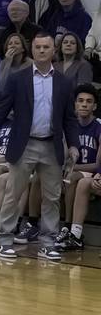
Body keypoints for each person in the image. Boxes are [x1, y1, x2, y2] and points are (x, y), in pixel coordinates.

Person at [0, 32, 79, 261]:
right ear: (32, 50)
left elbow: (69, 118)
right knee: (13, 194)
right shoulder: (18, 78)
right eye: (38, 47)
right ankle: (5, 240)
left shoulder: (64, 82)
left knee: (52, 197)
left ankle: (47, 243)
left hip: (51, 145)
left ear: (53, 50)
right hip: (24, 144)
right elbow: (0, 112)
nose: (42, 51)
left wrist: (74, 145)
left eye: (46, 47)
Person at [54, 84, 101, 251]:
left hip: (92, 173)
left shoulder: (99, 126)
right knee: (48, 177)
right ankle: (34, 223)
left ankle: (68, 227)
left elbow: (98, 164)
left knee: (72, 178)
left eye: (89, 101)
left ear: (94, 106)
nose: (84, 104)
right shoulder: (69, 126)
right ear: (74, 104)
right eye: (80, 101)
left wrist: (73, 169)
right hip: (75, 172)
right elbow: (64, 157)